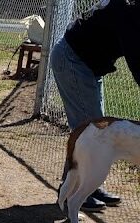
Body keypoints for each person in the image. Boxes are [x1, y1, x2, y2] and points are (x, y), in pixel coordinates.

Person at [50, 0, 139, 211]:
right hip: (73, 61)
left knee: (93, 131)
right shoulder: (128, 10)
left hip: (87, 66)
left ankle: (87, 188)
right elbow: (137, 59)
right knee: (91, 133)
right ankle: (75, 191)